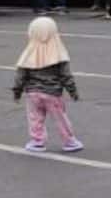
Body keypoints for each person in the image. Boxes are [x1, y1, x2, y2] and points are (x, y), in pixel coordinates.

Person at [12, 16, 83, 153]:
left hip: (32, 93)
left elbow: (20, 76)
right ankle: (70, 141)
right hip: (52, 93)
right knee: (60, 118)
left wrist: (17, 92)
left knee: (35, 118)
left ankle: (37, 141)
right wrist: (73, 92)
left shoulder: (28, 53)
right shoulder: (59, 53)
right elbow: (66, 76)